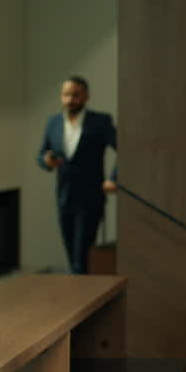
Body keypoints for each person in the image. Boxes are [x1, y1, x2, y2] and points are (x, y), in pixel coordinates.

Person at [37, 75, 117, 275]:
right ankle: (79, 287)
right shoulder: (53, 122)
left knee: (81, 257)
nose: (70, 100)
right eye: (66, 95)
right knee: (72, 255)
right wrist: (46, 160)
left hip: (90, 198)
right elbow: (41, 154)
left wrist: (113, 178)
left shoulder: (100, 121)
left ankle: (80, 290)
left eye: (75, 95)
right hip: (64, 198)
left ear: (86, 97)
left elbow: (124, 147)